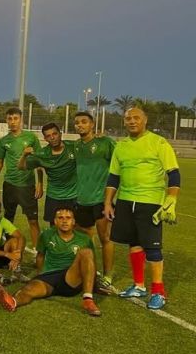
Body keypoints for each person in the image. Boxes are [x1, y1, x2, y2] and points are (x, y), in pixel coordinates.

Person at [104, 108, 180, 310]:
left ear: (145, 120)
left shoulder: (158, 142)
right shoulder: (121, 146)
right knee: (134, 243)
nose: (131, 121)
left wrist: (171, 197)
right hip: (126, 201)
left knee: (153, 248)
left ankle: (158, 292)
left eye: (136, 117)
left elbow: (173, 173)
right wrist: (108, 202)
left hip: (150, 201)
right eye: (128, 118)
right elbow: (113, 177)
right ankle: (139, 285)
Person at [0, 206, 102, 317]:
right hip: (50, 277)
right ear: (55, 221)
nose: (64, 221)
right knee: (29, 289)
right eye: (60, 218)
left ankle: (88, 300)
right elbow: (40, 256)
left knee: (86, 252)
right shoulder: (46, 235)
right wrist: (40, 274)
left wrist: (93, 283)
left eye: (68, 218)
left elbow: (89, 262)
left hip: (71, 277)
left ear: (73, 221)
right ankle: (12, 302)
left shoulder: (84, 239)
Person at [72, 112, 117, 294]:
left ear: (92, 125)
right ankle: (91, 270)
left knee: (105, 238)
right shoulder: (75, 146)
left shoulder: (105, 143)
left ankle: (108, 275)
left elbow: (119, 164)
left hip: (101, 200)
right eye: (77, 123)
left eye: (84, 122)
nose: (80, 125)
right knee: (85, 239)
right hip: (81, 200)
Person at [0, 108, 42, 256]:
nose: (13, 122)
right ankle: (8, 248)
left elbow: (38, 161)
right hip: (9, 185)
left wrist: (40, 183)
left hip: (27, 186)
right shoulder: (3, 141)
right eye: (10, 119)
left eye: (15, 118)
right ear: (6, 121)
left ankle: (38, 252)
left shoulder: (31, 138)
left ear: (21, 119)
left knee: (33, 220)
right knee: (8, 218)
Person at [18, 123, 77, 227]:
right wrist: (24, 155)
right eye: (48, 136)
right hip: (53, 197)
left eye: (55, 134)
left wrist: (97, 137)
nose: (52, 137)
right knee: (54, 229)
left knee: (75, 229)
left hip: (74, 196)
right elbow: (21, 167)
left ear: (60, 134)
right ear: (45, 139)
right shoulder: (42, 154)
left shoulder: (74, 147)